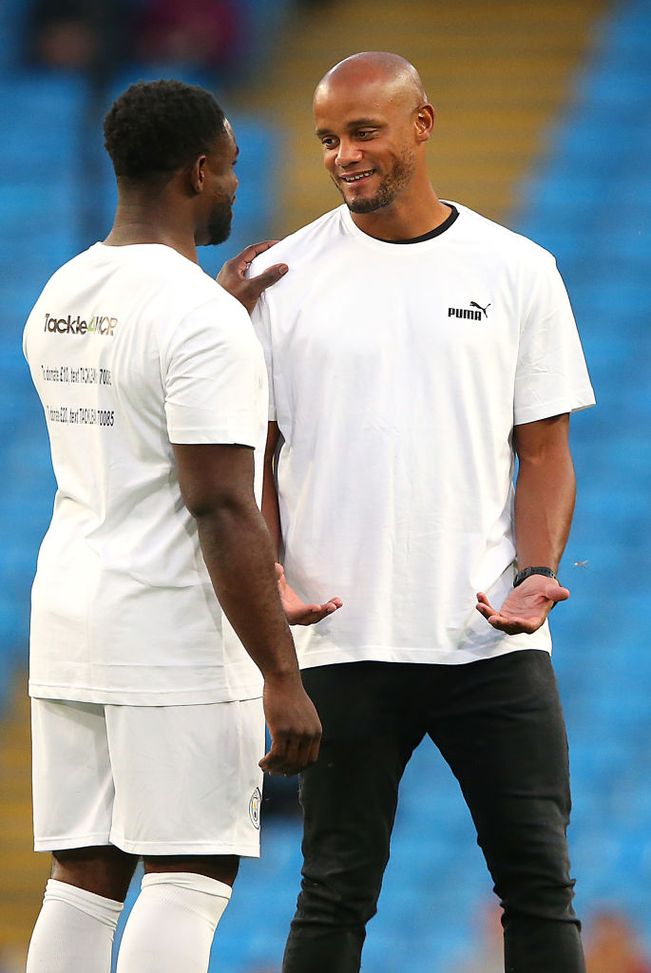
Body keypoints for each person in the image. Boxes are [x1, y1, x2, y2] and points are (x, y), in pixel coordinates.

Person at [249, 52, 596, 973]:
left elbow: (544, 452)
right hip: (340, 636)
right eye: (327, 138)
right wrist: (267, 569)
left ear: (422, 124)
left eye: (363, 132)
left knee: (539, 887)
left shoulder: (517, 269)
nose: (343, 155)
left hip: (490, 638)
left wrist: (534, 573)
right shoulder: (282, 276)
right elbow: (256, 457)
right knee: (333, 891)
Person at [22, 79, 339, 973]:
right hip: (168, 634)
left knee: (83, 879)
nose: (237, 184)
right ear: (198, 173)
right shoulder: (196, 317)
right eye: (231, 167)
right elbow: (218, 504)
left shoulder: (63, 290)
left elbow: (133, 405)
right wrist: (280, 673)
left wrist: (221, 318)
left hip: (72, 619)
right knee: (189, 873)